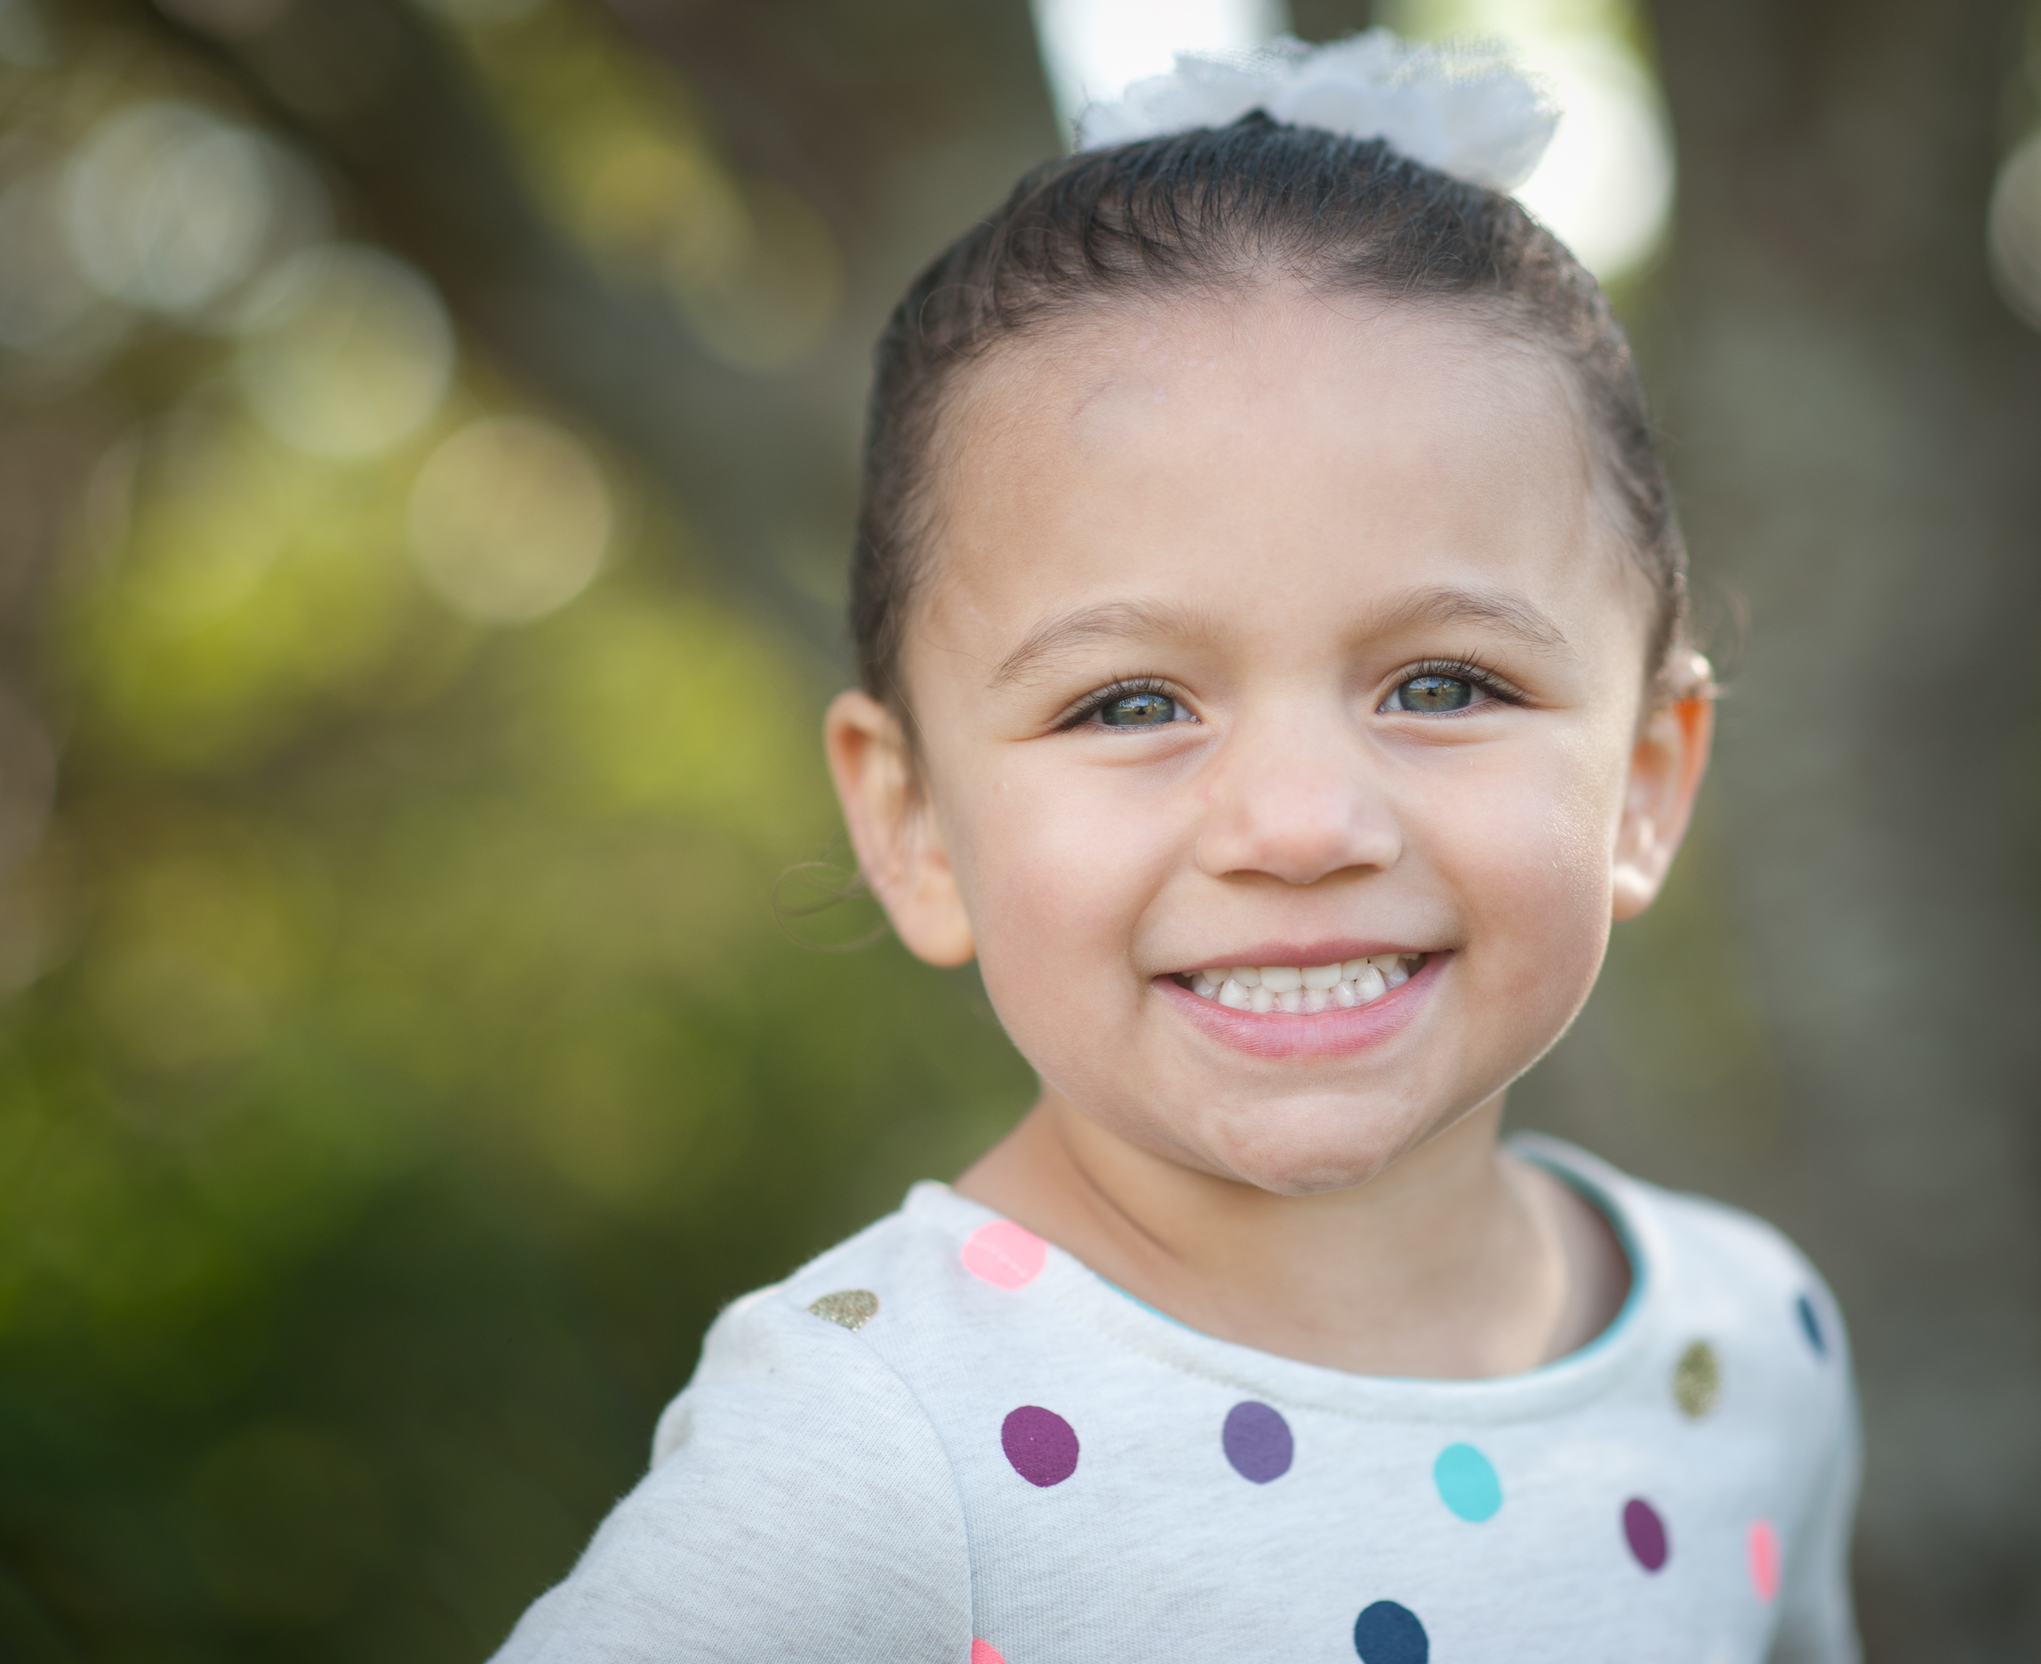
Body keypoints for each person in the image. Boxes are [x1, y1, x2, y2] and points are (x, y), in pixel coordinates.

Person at [492, 32, 1860, 1664]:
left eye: (1442, 683)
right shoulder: (871, 1450)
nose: (1297, 826)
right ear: (911, 822)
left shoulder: (1751, 1347)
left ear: (1643, 782)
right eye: (1131, 702)